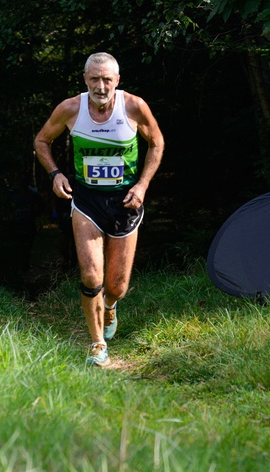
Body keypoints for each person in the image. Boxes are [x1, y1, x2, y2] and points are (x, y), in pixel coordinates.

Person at [34, 52, 165, 367]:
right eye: (94, 79)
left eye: (107, 79)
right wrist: (55, 174)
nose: (101, 86)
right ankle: (97, 344)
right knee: (91, 275)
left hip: (125, 202)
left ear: (117, 80)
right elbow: (41, 141)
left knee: (116, 286)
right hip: (87, 201)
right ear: (85, 79)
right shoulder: (70, 109)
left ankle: (110, 305)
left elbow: (157, 142)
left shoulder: (134, 106)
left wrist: (142, 185)